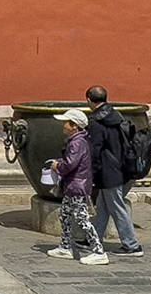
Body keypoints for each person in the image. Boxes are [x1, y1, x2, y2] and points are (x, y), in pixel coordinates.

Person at [43, 109, 109, 264]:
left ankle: (98, 250)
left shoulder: (77, 142)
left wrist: (56, 165)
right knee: (65, 215)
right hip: (73, 185)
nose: (63, 125)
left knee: (81, 219)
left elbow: (70, 165)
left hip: (76, 186)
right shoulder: (80, 140)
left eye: (66, 123)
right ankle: (65, 246)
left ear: (74, 125)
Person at [87, 86, 143, 257]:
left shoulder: (96, 121)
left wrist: (92, 173)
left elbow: (95, 150)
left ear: (89, 100)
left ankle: (131, 244)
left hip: (107, 170)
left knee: (117, 207)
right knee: (103, 205)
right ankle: (94, 238)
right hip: (119, 166)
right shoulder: (116, 115)